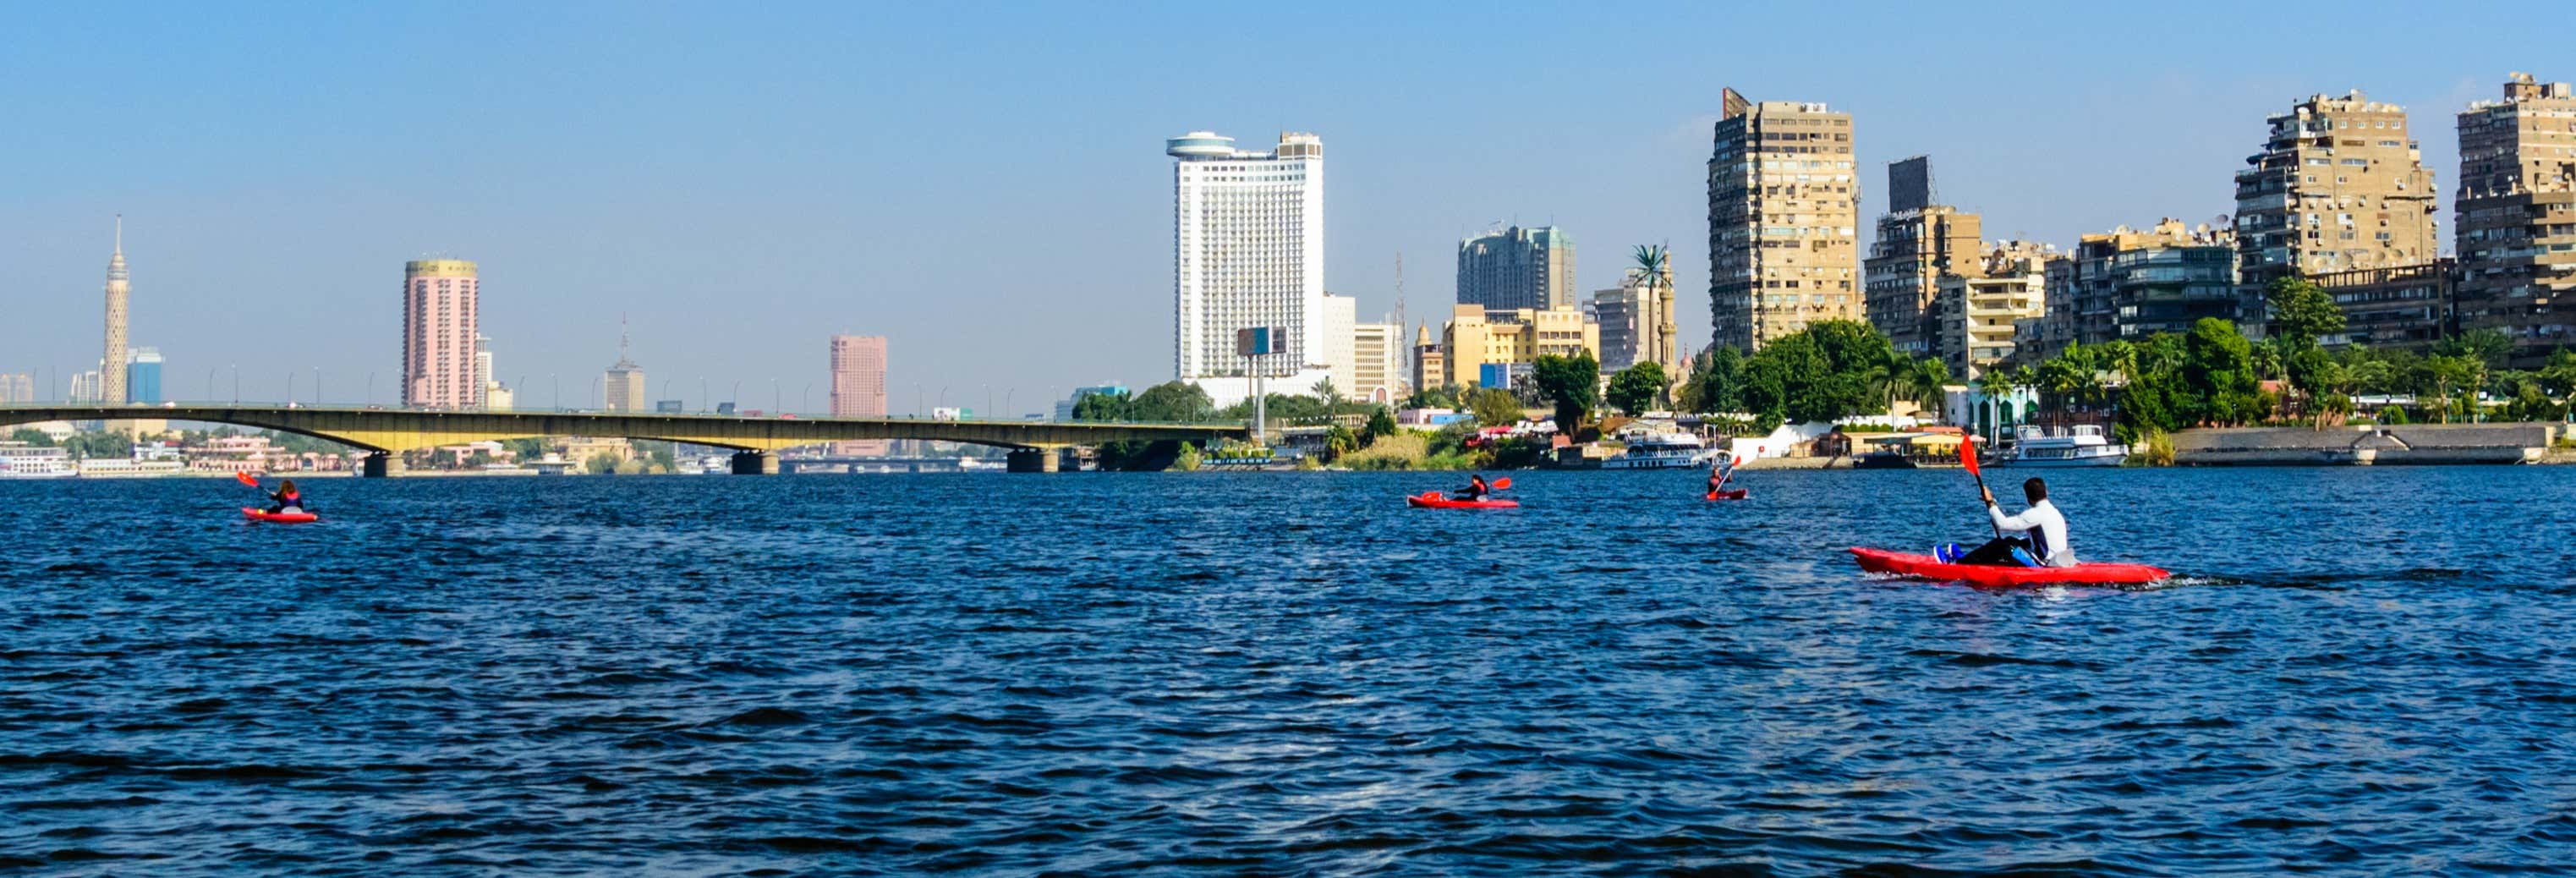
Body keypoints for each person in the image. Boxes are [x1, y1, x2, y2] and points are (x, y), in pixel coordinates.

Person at [1942, 476, 2075, 568]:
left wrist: (1990, 501)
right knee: (2012, 541)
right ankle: (1967, 559)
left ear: (2028, 498)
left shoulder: (2035, 514)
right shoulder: (2056, 513)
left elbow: (2002, 524)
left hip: (2043, 564)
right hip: (2057, 559)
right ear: (2046, 492)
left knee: (2002, 546)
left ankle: (1959, 563)